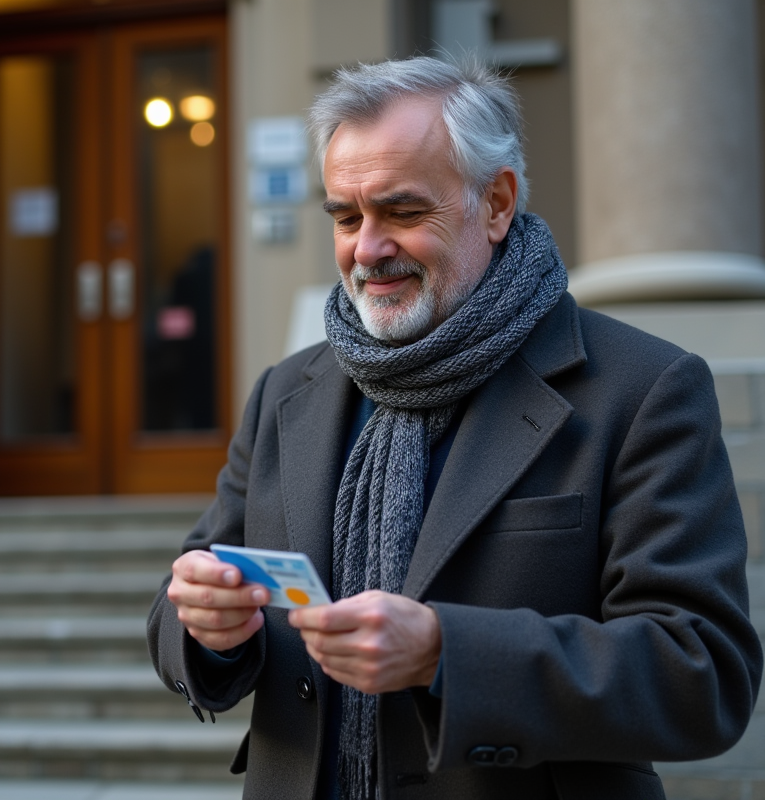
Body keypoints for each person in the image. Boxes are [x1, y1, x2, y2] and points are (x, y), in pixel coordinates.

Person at [146, 56, 763, 800]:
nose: (366, 248)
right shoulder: (287, 390)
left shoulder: (644, 389)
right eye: (345, 216)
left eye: (402, 212)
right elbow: (182, 601)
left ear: (496, 203)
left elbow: (702, 675)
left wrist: (447, 652)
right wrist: (206, 630)